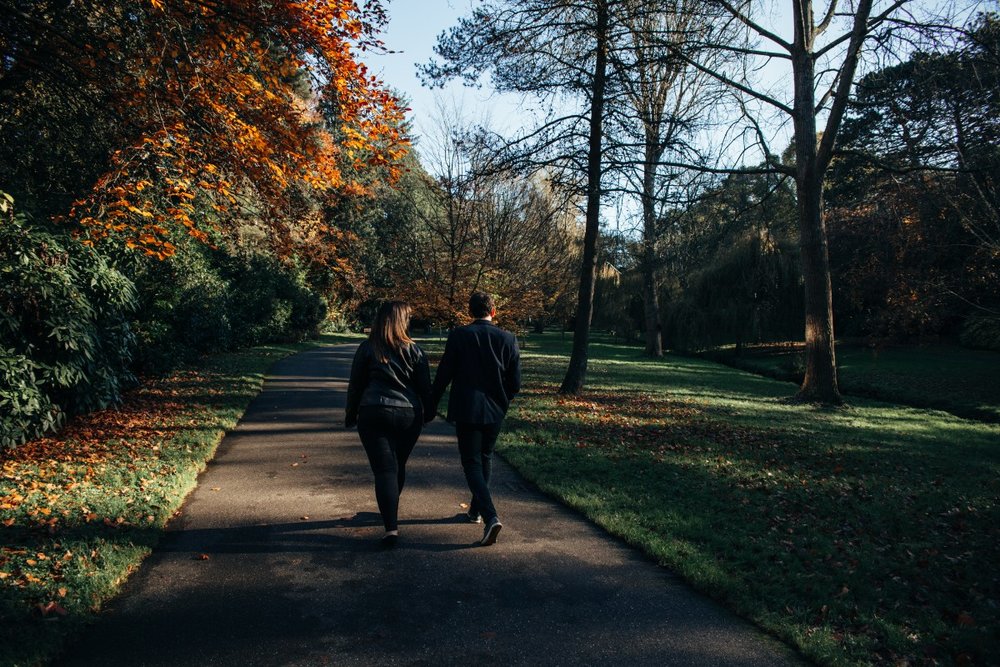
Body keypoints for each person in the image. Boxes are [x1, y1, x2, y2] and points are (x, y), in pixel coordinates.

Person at [430, 291, 521, 546]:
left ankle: (490, 515)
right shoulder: (508, 338)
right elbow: (515, 383)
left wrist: (431, 403)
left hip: (467, 407)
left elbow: (444, 373)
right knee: (485, 457)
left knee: (471, 462)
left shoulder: (460, 335)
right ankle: (476, 511)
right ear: (493, 312)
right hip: (495, 410)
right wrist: (504, 400)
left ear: (471, 312)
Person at [345, 301, 433, 548]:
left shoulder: (367, 348)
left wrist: (351, 414)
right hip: (408, 414)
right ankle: (390, 509)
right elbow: (425, 388)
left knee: (385, 470)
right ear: (403, 321)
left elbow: (356, 386)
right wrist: (429, 413)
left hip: (374, 412)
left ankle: (391, 527)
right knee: (397, 465)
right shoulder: (415, 351)